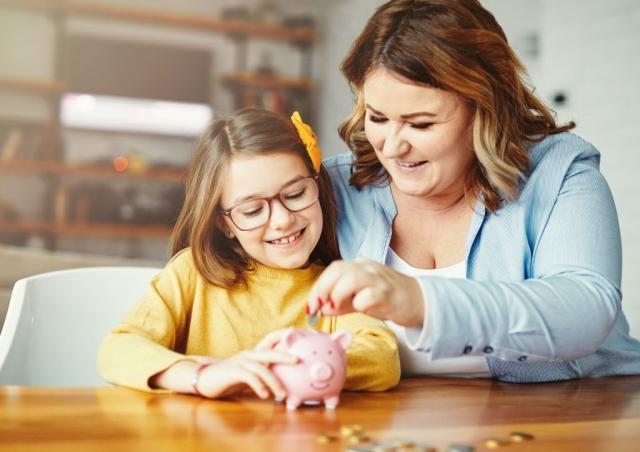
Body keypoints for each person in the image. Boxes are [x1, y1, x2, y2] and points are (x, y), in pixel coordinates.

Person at [307, 0, 640, 382]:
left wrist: (421, 302)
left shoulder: (560, 171)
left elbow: (586, 310)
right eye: (378, 117)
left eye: (420, 124)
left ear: (484, 110)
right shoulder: (336, 188)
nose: (392, 146)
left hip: (584, 412)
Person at [98, 108, 400, 399]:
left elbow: (382, 358)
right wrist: (201, 375)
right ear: (224, 222)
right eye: (253, 210)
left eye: (296, 194)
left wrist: (284, 366)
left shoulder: (335, 285)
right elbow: (119, 348)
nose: (282, 220)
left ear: (318, 187)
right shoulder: (192, 274)